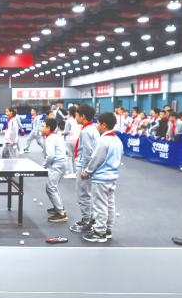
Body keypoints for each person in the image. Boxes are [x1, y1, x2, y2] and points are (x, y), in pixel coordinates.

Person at [79, 111, 123, 244]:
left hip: (101, 179)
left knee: (100, 206)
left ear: (104, 125)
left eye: (98, 123)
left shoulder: (103, 141)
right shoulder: (117, 140)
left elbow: (96, 160)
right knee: (109, 204)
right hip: (112, 177)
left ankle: (99, 233)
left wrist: (86, 173)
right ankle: (107, 230)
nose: (96, 126)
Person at [71, 104, 98, 234]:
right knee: (86, 194)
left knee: (83, 195)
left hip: (84, 167)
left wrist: (85, 171)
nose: (75, 118)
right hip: (87, 166)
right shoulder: (92, 128)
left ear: (82, 116)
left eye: (76, 115)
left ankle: (86, 222)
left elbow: (88, 153)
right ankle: (89, 218)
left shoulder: (86, 131)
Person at [41, 117, 69, 223]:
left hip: (58, 165)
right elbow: (67, 151)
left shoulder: (49, 139)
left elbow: (50, 156)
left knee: (50, 187)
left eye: (42, 126)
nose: (41, 128)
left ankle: (61, 213)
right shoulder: (57, 136)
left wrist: (43, 166)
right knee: (53, 186)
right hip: (62, 163)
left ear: (48, 128)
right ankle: (59, 207)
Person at [62, 107, 81, 176]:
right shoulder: (79, 120)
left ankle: (70, 172)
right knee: (76, 156)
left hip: (69, 140)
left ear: (70, 112)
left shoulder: (68, 121)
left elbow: (66, 131)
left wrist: (62, 133)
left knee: (69, 156)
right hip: (77, 140)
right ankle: (76, 171)